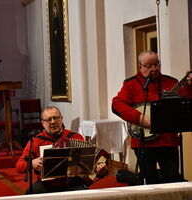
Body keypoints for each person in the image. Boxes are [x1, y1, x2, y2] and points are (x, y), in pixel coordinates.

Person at [112, 50, 192, 184]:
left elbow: (186, 101)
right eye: (149, 66)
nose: (154, 69)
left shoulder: (171, 82)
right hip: (144, 142)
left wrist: (189, 87)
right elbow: (117, 104)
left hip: (168, 140)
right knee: (149, 181)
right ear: (140, 67)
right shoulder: (131, 84)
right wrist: (139, 118)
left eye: (157, 64)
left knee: (172, 179)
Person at [16, 106, 108, 194]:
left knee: (87, 196)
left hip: (73, 183)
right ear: (43, 123)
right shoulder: (36, 141)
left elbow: (88, 169)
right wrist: (32, 163)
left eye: (56, 118)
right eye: (49, 119)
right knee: (30, 193)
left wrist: (99, 171)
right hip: (47, 185)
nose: (53, 122)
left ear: (61, 119)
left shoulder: (75, 137)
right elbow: (19, 166)